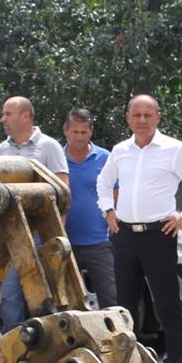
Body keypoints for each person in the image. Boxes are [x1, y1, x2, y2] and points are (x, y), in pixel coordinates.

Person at [96, 94, 182, 363]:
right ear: (128, 118)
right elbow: (103, 182)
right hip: (124, 235)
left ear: (158, 116)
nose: (142, 121)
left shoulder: (174, 149)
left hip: (158, 235)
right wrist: (107, 209)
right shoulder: (120, 150)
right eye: (137, 115)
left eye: (148, 115)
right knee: (124, 304)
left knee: (166, 301)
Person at [0, 95, 70, 330]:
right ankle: (13, 349)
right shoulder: (2, 149)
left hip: (40, 231)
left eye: (8, 114)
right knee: (10, 295)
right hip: (12, 232)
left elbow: (63, 190)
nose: (2, 119)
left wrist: (57, 231)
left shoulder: (48, 146)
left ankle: (49, 347)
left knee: (44, 294)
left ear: (25, 116)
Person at [61, 108, 118, 311]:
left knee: (110, 297)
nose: (79, 137)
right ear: (66, 131)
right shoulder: (56, 158)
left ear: (91, 131)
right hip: (64, 240)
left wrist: (113, 221)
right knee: (64, 299)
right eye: (75, 132)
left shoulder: (105, 158)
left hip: (99, 241)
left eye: (83, 132)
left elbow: (117, 191)